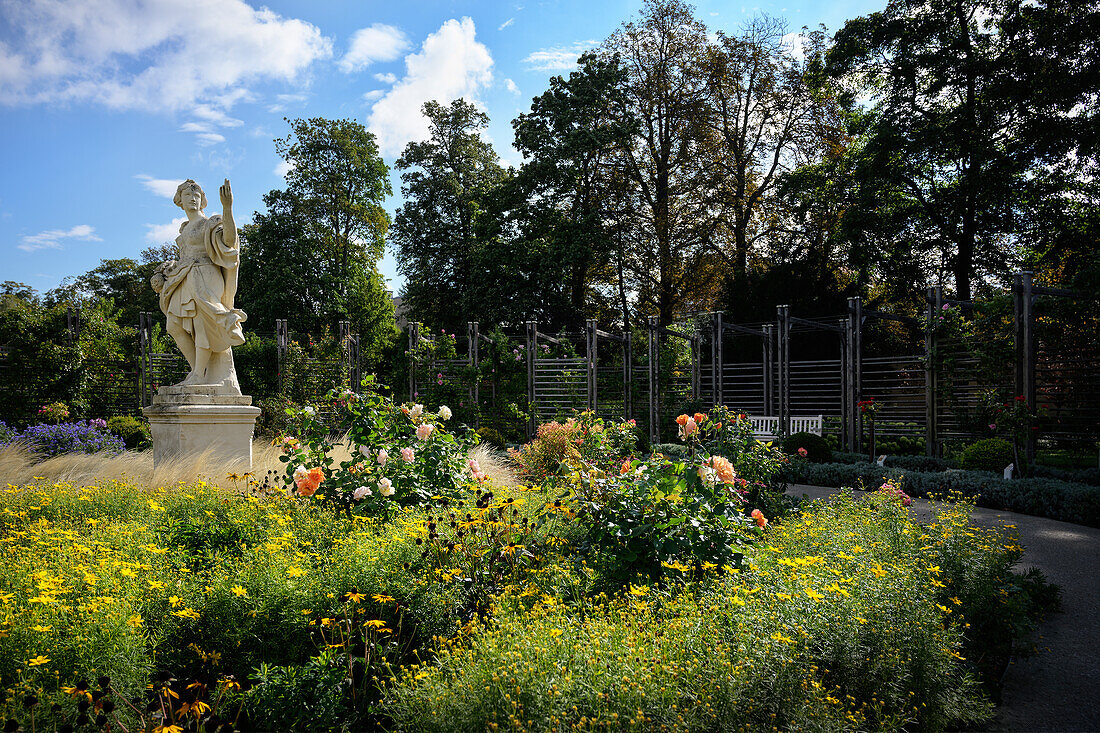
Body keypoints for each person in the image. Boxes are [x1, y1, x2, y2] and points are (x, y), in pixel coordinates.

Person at [150, 179, 246, 392]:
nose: (192, 199)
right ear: (180, 201)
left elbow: (229, 241)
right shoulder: (185, 228)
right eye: (187, 196)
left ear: (202, 200)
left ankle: (198, 375)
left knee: (203, 325)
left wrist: (227, 208)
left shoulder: (209, 223)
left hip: (206, 276)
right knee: (173, 325)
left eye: (196, 196)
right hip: (185, 277)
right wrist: (171, 267)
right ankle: (198, 371)